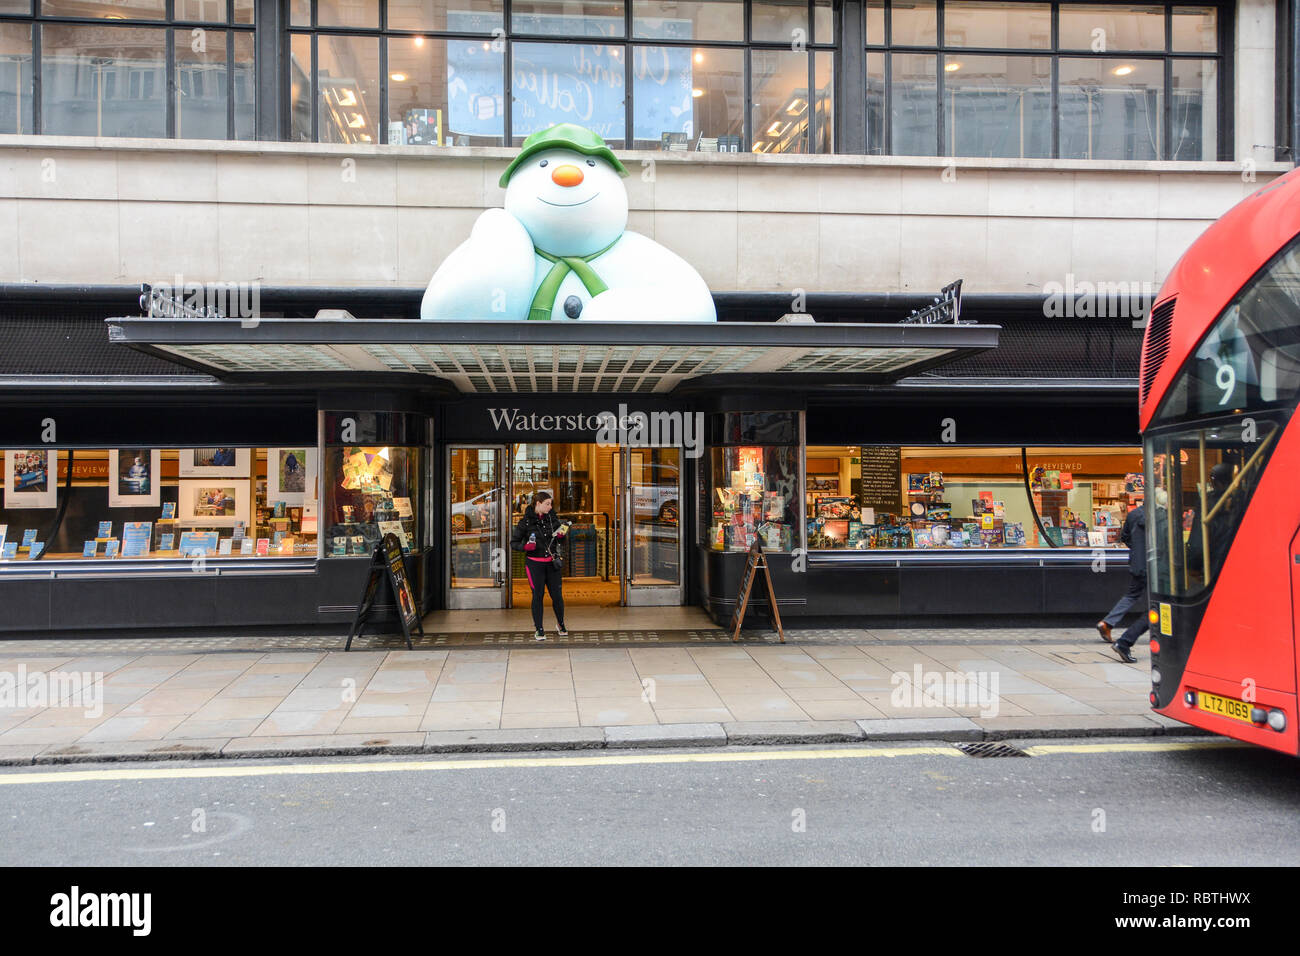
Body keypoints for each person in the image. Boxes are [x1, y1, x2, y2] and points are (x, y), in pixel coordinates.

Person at [510, 491, 569, 642]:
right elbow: (514, 543)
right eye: (547, 504)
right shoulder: (525, 522)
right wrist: (525, 547)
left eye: (551, 504)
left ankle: (561, 624)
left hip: (552, 564)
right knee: (538, 596)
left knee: (557, 596)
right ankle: (539, 629)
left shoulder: (553, 519)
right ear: (538, 504)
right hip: (534, 565)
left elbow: (561, 542)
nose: (550, 507)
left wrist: (562, 537)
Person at [1096, 503, 1148, 663]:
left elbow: (1124, 537)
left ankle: (1107, 622)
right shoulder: (1158, 516)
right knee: (1159, 605)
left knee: (1132, 595)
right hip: (1152, 564)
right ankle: (1126, 639)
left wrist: (1137, 550)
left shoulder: (1133, 515)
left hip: (1136, 562)